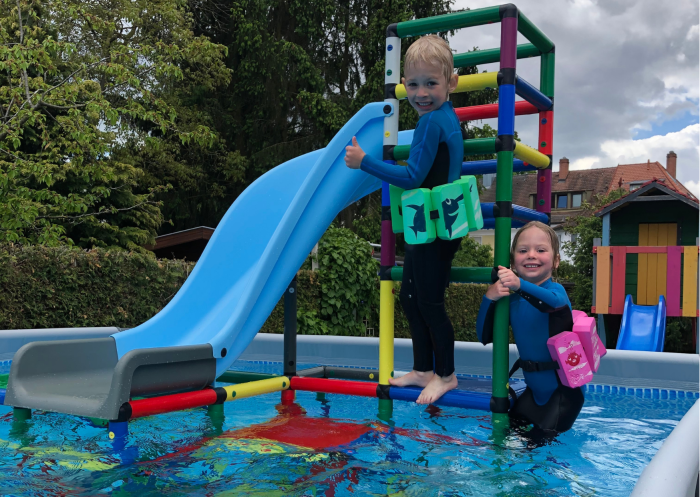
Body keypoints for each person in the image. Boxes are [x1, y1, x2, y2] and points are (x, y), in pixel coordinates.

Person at [344, 35, 464, 404]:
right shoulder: (441, 117)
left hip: (435, 229)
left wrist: (365, 162)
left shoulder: (432, 123)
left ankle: (446, 375)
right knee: (411, 299)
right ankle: (424, 368)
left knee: (428, 303)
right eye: (413, 84)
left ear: (451, 82)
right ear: (403, 86)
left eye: (431, 83)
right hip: (424, 224)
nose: (421, 92)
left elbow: (412, 176)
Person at [476, 221, 584, 434]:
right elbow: (484, 336)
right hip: (533, 394)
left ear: (556, 261)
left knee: (536, 453)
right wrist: (489, 298)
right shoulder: (512, 301)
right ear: (512, 262)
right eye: (523, 250)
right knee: (503, 438)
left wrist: (519, 285)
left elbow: (550, 304)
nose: (531, 255)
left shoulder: (557, 293)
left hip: (562, 395)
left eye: (541, 250)